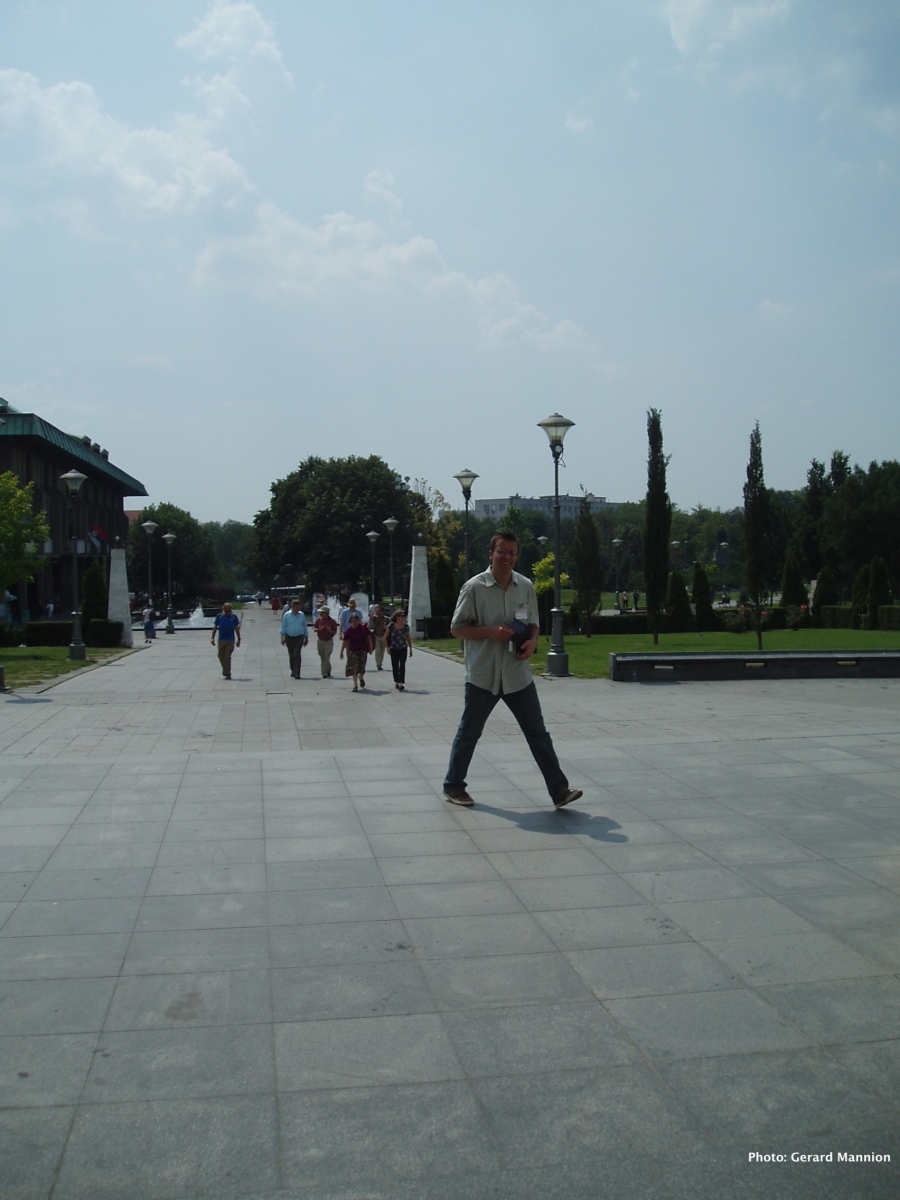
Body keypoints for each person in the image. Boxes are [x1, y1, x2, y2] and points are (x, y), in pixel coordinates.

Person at [442, 531, 583, 810]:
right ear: (491, 554)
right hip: (483, 675)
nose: (507, 557)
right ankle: (454, 785)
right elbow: (456, 629)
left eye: (512, 552)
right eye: (502, 551)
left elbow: (533, 624)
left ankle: (559, 791)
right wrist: (489, 631)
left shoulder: (525, 586)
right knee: (469, 732)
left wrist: (532, 642)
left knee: (538, 733)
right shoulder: (474, 587)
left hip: (517, 674)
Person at [340, 610, 370, 691]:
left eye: (356, 620)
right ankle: (355, 685)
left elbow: (369, 637)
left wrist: (370, 647)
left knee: (362, 667)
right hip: (353, 651)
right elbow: (345, 641)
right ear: (350, 621)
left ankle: (361, 677)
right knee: (354, 668)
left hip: (362, 650)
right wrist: (341, 651)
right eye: (353, 621)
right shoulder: (349, 630)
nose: (355, 622)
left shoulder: (363, 628)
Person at [279, 598, 309, 679]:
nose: (297, 609)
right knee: (291, 655)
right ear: (292, 607)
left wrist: (306, 637)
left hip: (299, 637)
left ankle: (297, 672)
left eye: (298, 607)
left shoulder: (301, 615)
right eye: (296, 607)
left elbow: (304, 626)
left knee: (297, 654)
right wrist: (282, 638)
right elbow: (283, 626)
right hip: (289, 637)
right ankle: (293, 669)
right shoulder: (287, 615)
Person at [385, 609, 413, 691]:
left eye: (404, 616)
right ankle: (396, 681)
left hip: (403, 648)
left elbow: (408, 638)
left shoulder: (406, 626)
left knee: (402, 665)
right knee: (395, 665)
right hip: (393, 648)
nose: (403, 617)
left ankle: (401, 683)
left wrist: (410, 649)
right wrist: (387, 648)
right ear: (397, 617)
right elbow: (385, 637)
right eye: (402, 616)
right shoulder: (391, 626)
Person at [211, 602, 241, 679]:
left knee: (227, 657)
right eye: (226, 611)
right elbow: (215, 627)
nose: (227, 613)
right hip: (221, 640)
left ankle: (228, 673)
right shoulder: (219, 616)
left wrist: (239, 639)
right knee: (221, 656)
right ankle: (225, 670)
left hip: (230, 640)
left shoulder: (233, 617)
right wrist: (212, 638)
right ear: (223, 610)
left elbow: (237, 628)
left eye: (229, 611)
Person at [313, 605, 337, 677]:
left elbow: (334, 632)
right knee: (322, 656)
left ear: (326, 613)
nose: (321, 614)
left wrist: (329, 630)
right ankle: (328, 668)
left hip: (329, 641)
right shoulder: (319, 620)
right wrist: (319, 629)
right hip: (320, 640)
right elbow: (314, 629)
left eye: (322, 612)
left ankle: (324, 672)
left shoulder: (332, 621)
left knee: (327, 655)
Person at [368, 603, 389, 670]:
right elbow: (371, 617)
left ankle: (380, 663)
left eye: (379, 611)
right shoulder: (375, 618)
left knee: (382, 651)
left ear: (382, 612)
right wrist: (374, 609)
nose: (377, 612)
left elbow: (390, 627)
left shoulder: (386, 619)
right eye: (377, 611)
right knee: (378, 650)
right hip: (376, 636)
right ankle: (378, 664)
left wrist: (386, 628)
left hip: (383, 637)